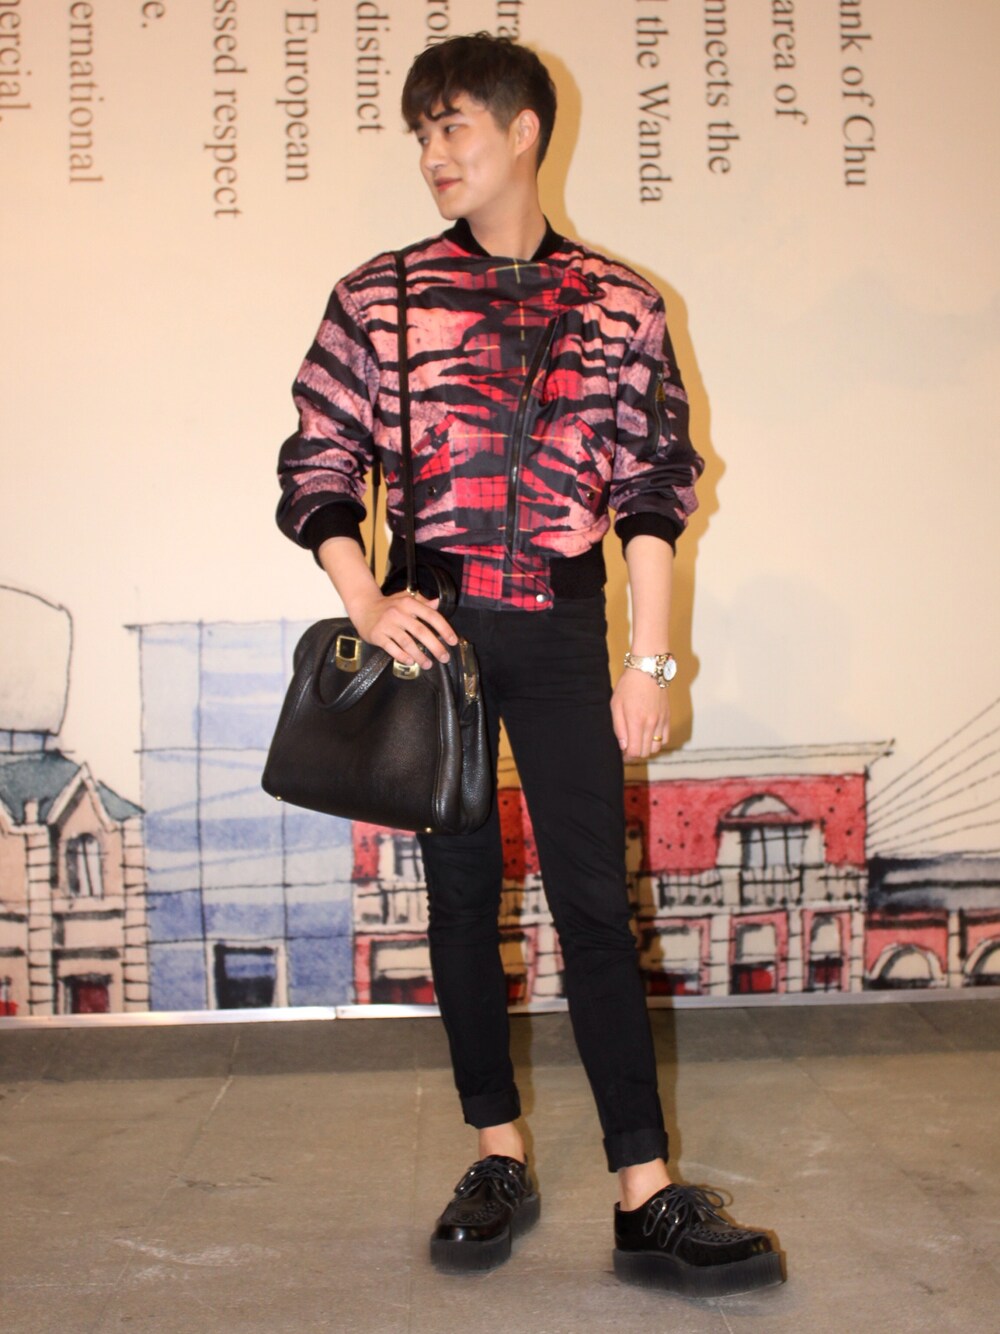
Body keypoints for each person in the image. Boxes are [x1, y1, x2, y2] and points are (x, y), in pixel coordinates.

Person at [276, 32, 783, 1298]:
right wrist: (368, 595)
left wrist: (648, 660)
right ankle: (494, 1153)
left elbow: (654, 491)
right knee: (460, 898)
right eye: (421, 134)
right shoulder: (381, 294)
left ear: (522, 131)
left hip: (564, 629)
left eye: (452, 126)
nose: (433, 154)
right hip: (435, 632)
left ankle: (644, 1191)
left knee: (595, 902)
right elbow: (319, 461)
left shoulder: (617, 303)